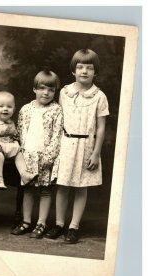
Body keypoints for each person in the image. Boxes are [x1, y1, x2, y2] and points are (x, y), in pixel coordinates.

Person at [45, 49, 109, 243]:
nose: (84, 71)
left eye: (89, 68)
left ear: (95, 72)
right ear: (73, 70)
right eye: (80, 67)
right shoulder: (65, 92)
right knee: (63, 185)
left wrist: (96, 153)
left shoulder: (99, 96)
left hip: (87, 145)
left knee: (81, 187)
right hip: (66, 144)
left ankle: (74, 226)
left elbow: (101, 127)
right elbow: (57, 119)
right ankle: (59, 223)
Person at [11, 70, 64, 239]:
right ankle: (26, 222)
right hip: (28, 156)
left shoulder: (56, 110)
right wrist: (19, 153)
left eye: (51, 89)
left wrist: (50, 157)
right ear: (34, 89)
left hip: (46, 156)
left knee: (46, 190)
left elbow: (57, 135)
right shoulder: (26, 109)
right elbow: (19, 132)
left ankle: (41, 223)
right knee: (28, 190)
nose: (46, 93)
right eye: (42, 88)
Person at [0, 91, 37, 190]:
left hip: (9, 145)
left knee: (19, 154)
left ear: (14, 110)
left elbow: (15, 135)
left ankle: (24, 174)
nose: (5, 109)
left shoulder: (11, 122)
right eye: (1, 106)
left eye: (9, 107)